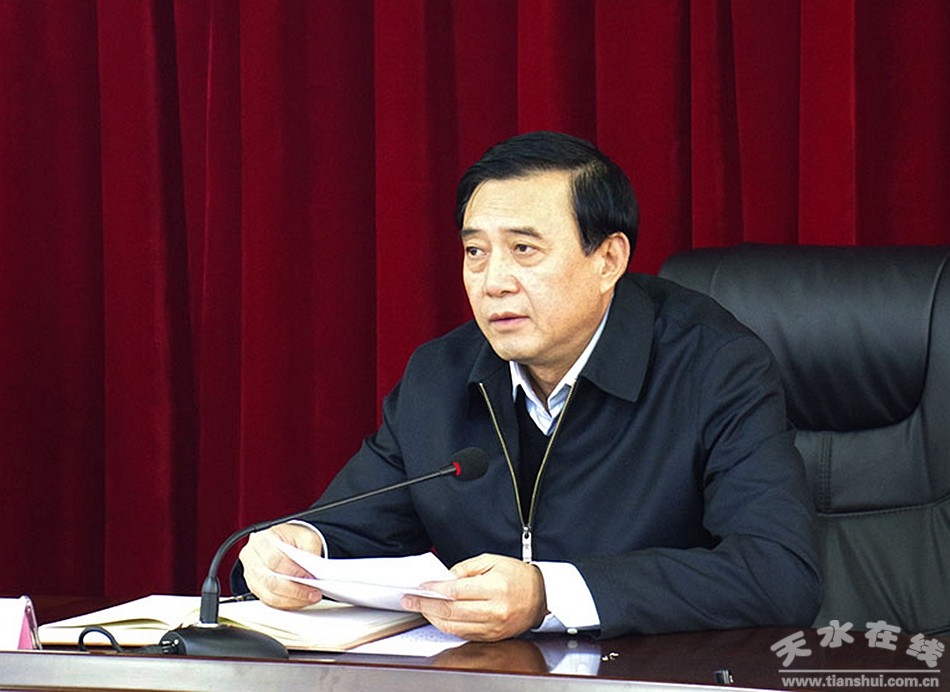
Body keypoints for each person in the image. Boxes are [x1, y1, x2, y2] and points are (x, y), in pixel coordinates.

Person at [234, 131, 821, 642]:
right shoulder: (440, 376)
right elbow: (350, 525)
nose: (494, 282)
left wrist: (547, 595)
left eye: (523, 250)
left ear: (608, 260)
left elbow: (778, 573)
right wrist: (295, 548)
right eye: (475, 252)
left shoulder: (714, 367)